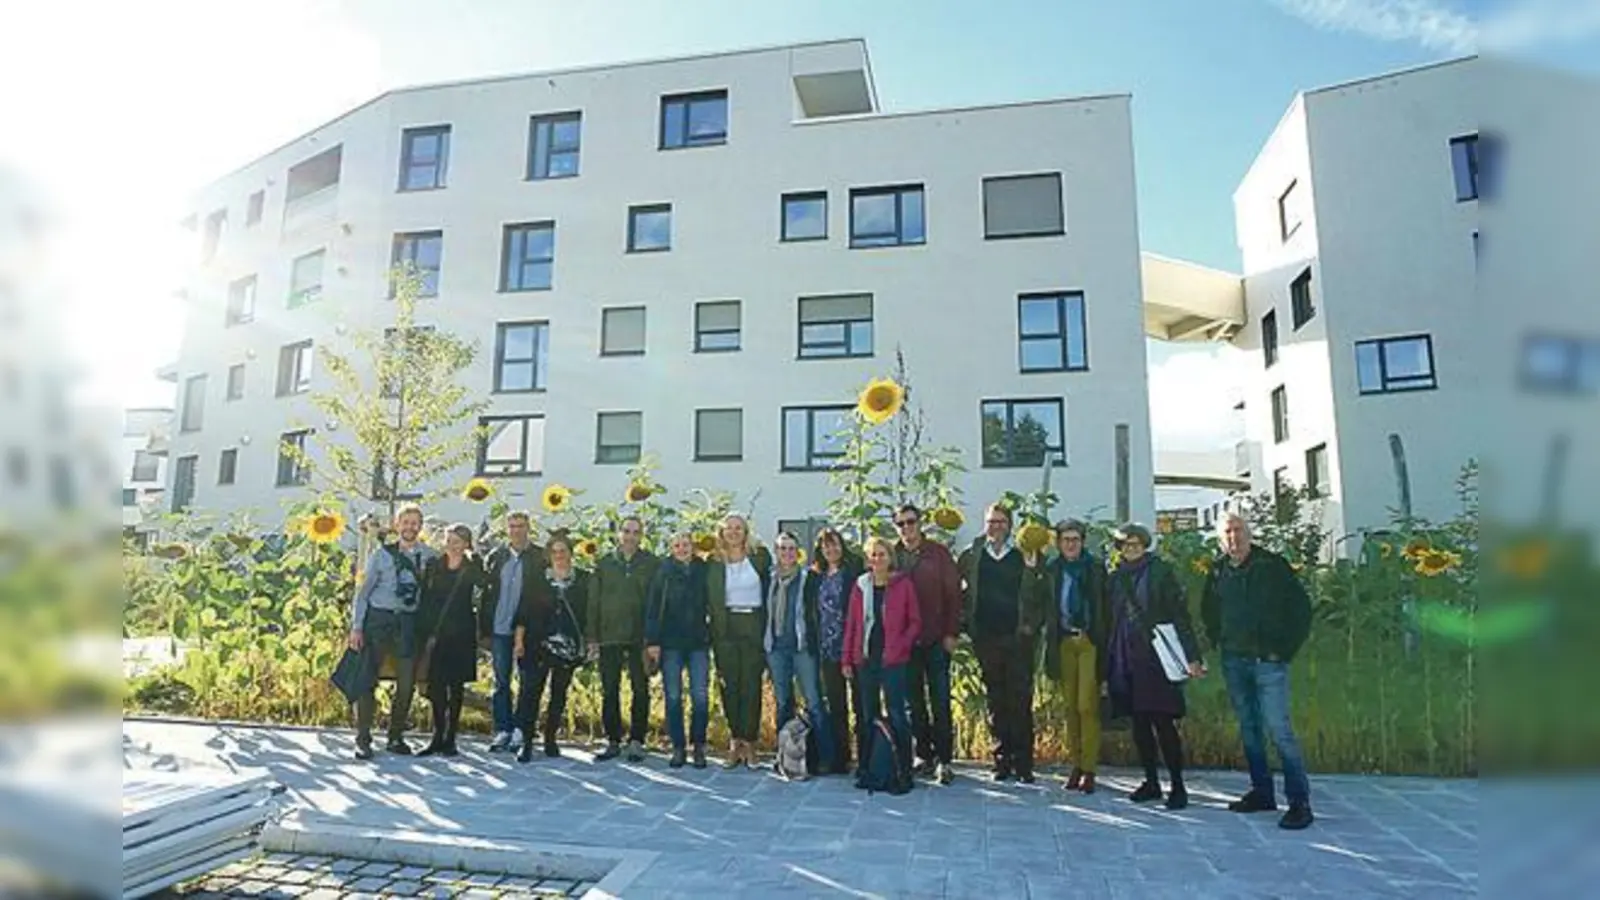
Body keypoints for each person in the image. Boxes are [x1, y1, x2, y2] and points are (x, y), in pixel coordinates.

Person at [1201, 513, 1316, 830]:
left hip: (1268, 661)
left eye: (1238, 530)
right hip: (1234, 660)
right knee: (1249, 729)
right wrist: (1216, 640)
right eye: (1228, 532)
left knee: (1279, 730)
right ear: (1220, 539)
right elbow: (1208, 609)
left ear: (1249, 534)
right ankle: (1262, 792)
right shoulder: (1217, 570)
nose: (1234, 537)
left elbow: (1301, 610)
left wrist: (1283, 650)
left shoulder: (1271, 567)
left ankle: (1299, 802)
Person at [1105, 523, 1205, 810]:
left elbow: (1179, 614)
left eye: (1136, 544)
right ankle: (1150, 781)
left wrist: (1191, 655)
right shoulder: (1115, 578)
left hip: (1156, 658)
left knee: (1163, 722)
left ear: (1145, 545)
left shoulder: (1160, 572)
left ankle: (1177, 785)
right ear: (1120, 549)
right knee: (1139, 724)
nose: (1131, 549)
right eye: (1126, 545)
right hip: (1126, 657)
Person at [957, 504, 1051, 783]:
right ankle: (1001, 760)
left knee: (1020, 700)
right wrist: (964, 625)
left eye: (1001, 522)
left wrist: (1031, 627)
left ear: (1010, 525)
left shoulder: (1025, 554)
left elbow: (1041, 594)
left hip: (1018, 638)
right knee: (995, 700)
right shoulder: (972, 556)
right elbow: (960, 592)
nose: (995, 526)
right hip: (986, 637)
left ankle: (1024, 764)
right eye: (991, 522)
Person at [349, 503, 437, 759]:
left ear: (420, 527)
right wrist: (356, 627)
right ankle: (363, 739)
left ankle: (395, 736)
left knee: (407, 682)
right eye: (405, 522)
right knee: (367, 679)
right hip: (378, 620)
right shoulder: (381, 555)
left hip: (409, 622)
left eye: (414, 523)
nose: (409, 527)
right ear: (397, 525)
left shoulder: (430, 557)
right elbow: (363, 594)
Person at [891, 503, 962, 786]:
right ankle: (923, 755)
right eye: (901, 524)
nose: (907, 528)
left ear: (920, 523)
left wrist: (952, 632)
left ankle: (944, 760)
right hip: (906, 643)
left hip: (935, 638)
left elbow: (954, 594)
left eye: (911, 522)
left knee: (941, 701)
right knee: (914, 703)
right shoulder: (893, 555)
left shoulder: (939, 554)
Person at [843, 536, 922, 787]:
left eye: (882, 554)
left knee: (897, 713)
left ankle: (903, 770)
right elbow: (852, 625)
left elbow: (915, 622)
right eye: (873, 554)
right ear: (868, 559)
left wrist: (901, 645)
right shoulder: (860, 586)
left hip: (893, 660)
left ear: (890, 557)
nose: (877, 559)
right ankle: (868, 767)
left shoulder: (902, 584)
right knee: (867, 715)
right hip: (865, 659)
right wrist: (847, 659)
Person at [1043, 519, 1110, 793]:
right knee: (1070, 707)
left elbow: (1105, 608)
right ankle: (1076, 765)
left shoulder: (1094, 569)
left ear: (1082, 542)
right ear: (1058, 543)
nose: (1070, 544)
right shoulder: (1053, 569)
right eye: (1065, 539)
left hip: (1088, 640)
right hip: (1063, 641)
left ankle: (1090, 768)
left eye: (1075, 539)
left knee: (1087, 705)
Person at [589, 516, 660, 763]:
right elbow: (593, 602)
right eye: (626, 531)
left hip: (640, 636)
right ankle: (612, 739)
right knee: (610, 689)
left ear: (642, 536)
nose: (630, 536)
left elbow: (657, 601)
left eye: (636, 532)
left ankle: (637, 740)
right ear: (619, 534)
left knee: (641, 689)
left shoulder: (651, 564)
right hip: (609, 635)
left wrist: (654, 638)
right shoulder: (605, 563)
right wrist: (592, 637)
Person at [514, 532, 589, 763]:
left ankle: (550, 737)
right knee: (531, 692)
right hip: (537, 643)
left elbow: (588, 614)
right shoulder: (538, 579)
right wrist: (518, 640)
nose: (559, 555)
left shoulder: (582, 580)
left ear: (570, 554)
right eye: (554, 551)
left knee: (559, 693)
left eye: (563, 551)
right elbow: (523, 611)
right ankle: (526, 740)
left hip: (567, 645)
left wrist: (588, 643)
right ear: (549, 554)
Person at [764, 531, 835, 772]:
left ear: (799, 552)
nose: (787, 553)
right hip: (776, 649)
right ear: (776, 551)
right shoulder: (769, 579)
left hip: (802, 648)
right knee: (784, 702)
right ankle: (785, 757)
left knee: (814, 701)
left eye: (791, 548)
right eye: (782, 548)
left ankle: (826, 758)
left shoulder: (809, 578)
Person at [707, 514, 771, 769]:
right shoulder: (713, 562)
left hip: (753, 624)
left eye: (738, 528)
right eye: (728, 528)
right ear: (721, 532)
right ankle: (736, 741)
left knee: (751, 685)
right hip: (725, 627)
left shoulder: (760, 556)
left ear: (746, 532)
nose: (733, 532)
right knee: (729, 685)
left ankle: (751, 743)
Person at [479, 511, 545, 752]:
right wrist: (484, 629)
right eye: (512, 526)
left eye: (521, 526)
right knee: (501, 681)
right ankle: (503, 729)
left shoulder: (539, 558)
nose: (516, 530)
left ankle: (521, 729)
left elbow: (540, 596)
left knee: (527, 681)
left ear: (529, 528)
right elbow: (487, 595)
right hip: (499, 628)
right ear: (507, 529)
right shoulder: (497, 557)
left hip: (528, 631)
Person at [645, 532, 712, 769]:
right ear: (671, 549)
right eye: (677, 545)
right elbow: (653, 607)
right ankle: (678, 746)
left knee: (700, 695)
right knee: (673, 696)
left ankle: (699, 746)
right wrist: (652, 641)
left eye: (686, 544)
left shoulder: (703, 570)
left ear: (693, 547)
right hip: (670, 641)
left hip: (698, 642)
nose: (682, 548)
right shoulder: (663, 572)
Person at [417, 523, 483, 757]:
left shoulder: (471, 567)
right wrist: (424, 630)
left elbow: (484, 584)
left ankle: (451, 737)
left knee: (456, 687)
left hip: (462, 633)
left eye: (458, 542)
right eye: (449, 541)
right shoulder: (434, 565)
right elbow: (425, 596)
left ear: (466, 544)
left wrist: (476, 560)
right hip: (438, 631)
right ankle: (437, 734)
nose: (452, 546)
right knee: (435, 686)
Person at [812, 527, 860, 775]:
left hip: (852, 647)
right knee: (837, 705)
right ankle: (841, 758)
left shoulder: (853, 573)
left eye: (835, 544)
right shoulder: (817, 577)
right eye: (826, 546)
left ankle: (866, 755)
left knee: (861, 703)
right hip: (827, 649)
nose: (832, 550)